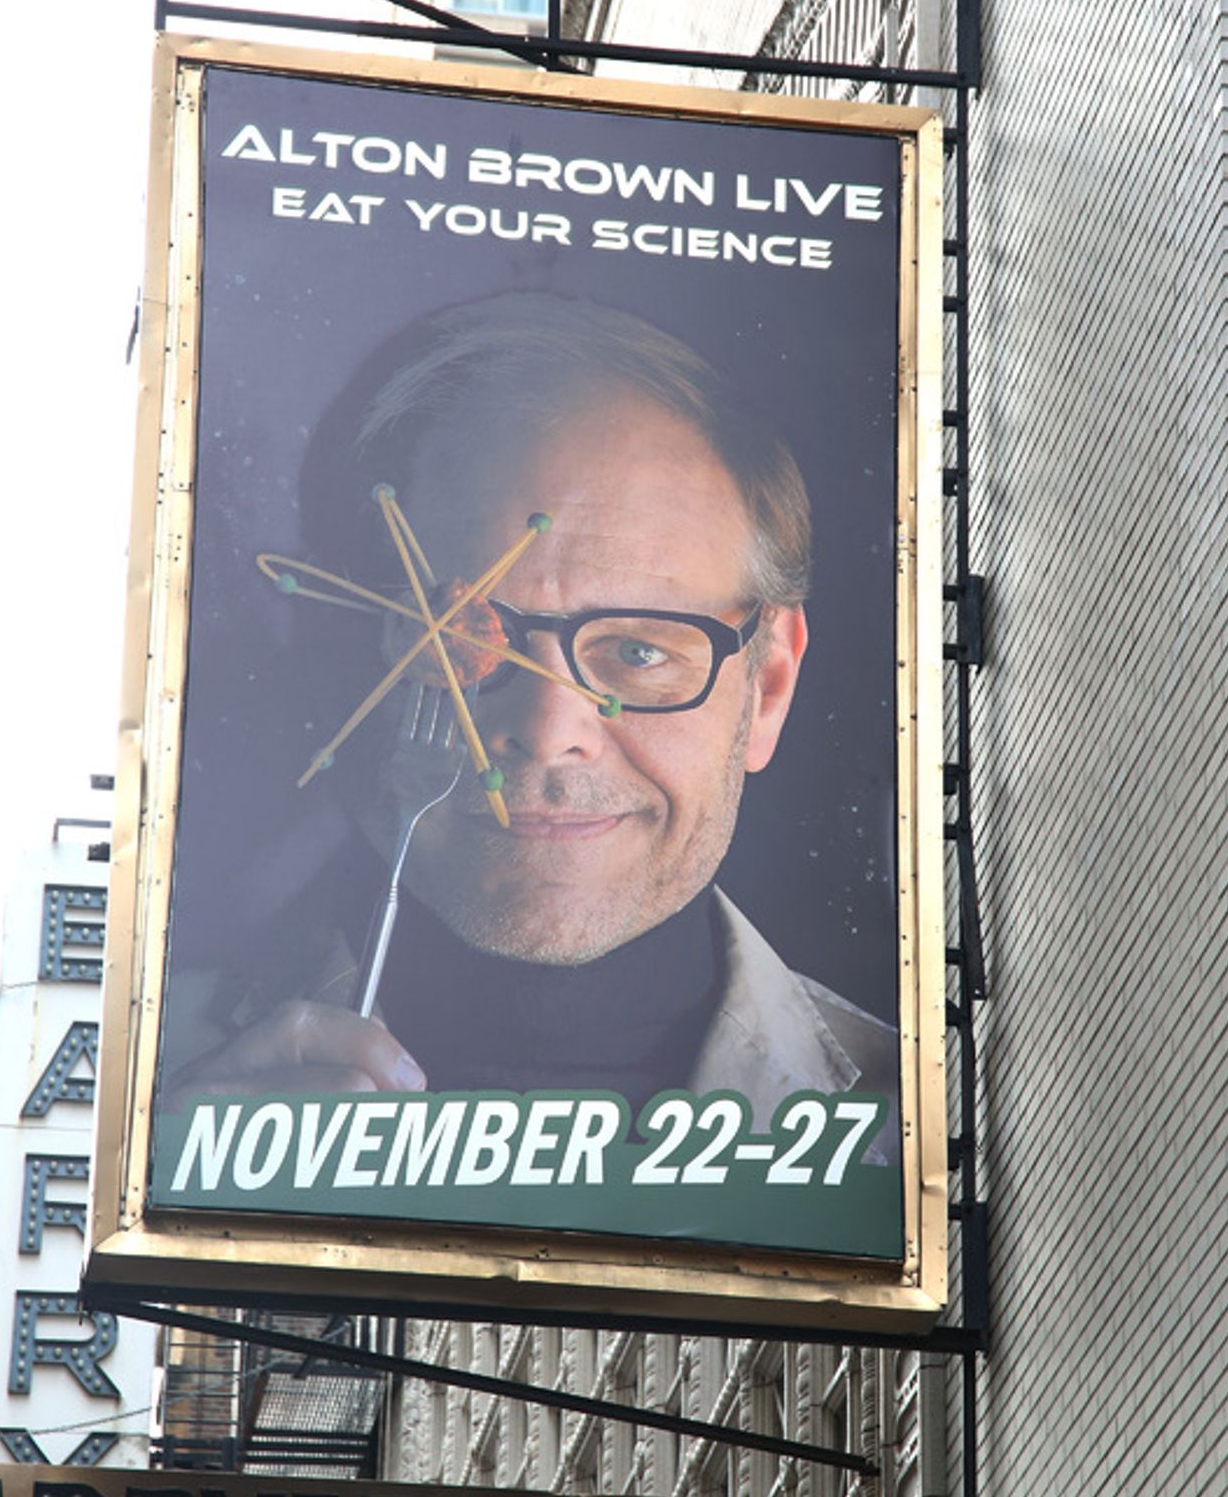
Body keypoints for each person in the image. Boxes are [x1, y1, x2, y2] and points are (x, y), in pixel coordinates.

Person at [166, 294, 897, 1150]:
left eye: (638, 652)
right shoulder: (147, 1087)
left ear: (768, 687)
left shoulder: (915, 1145)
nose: (551, 730)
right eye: (452, 639)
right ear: (345, 658)